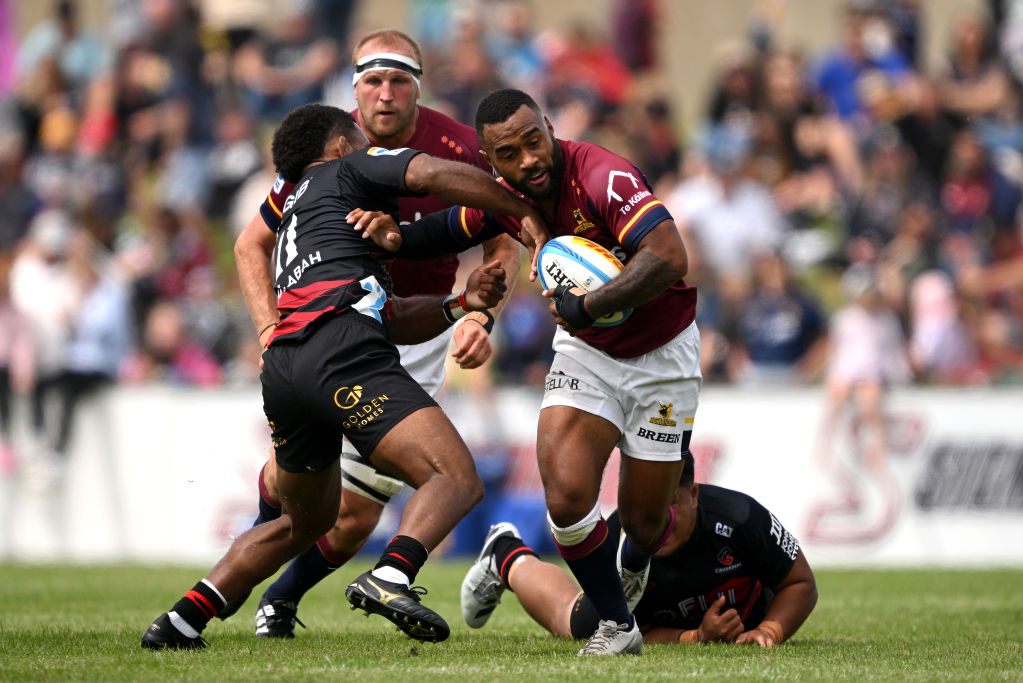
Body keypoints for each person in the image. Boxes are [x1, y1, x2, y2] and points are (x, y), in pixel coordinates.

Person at [140, 103, 545, 650]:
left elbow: (389, 315)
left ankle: (181, 620)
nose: (368, 145)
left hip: (286, 368)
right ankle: (392, 575)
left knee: (303, 523)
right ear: (337, 146)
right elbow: (427, 174)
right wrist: (519, 208)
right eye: (359, 138)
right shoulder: (348, 168)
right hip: (341, 353)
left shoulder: (297, 222)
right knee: (455, 477)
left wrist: (458, 303)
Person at [364, 88, 700, 656]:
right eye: (508, 154)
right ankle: (618, 627)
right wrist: (392, 235)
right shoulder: (505, 197)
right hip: (586, 355)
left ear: (548, 127)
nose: (528, 161)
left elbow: (669, 257)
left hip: (663, 356)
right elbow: (444, 229)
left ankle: (629, 560)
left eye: (533, 142)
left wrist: (588, 305)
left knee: (645, 524)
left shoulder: (602, 175)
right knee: (567, 497)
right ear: (489, 161)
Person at [224, 29, 523, 639]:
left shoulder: (458, 146)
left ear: (418, 87)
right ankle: (241, 572)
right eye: (372, 82)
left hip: (415, 334)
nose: (385, 95)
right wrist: (267, 329)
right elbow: (249, 243)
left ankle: (276, 601)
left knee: (355, 516)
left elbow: (503, 232)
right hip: (330, 328)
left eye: (399, 82)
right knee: (292, 483)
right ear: (354, 88)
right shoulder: (324, 152)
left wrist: (479, 313)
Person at [460, 451, 817, 647]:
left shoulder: (740, 518)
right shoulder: (621, 538)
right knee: (576, 622)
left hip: (749, 612)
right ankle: (506, 554)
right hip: (652, 610)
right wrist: (695, 637)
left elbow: (800, 583)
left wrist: (770, 630)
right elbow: (634, 631)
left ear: (694, 494)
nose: (655, 521)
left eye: (669, 504)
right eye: (646, 505)